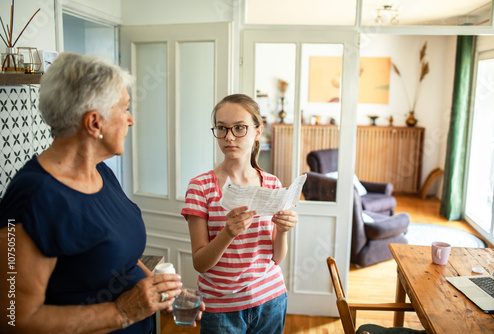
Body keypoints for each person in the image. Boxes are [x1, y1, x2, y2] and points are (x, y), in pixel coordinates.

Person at [0, 52, 202, 333]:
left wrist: (160, 291)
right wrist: (121, 311)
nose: (131, 120)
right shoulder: (33, 198)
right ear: (95, 123)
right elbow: (14, 319)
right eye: (124, 108)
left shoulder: (101, 172)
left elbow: (124, 261)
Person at [181, 94, 298, 333]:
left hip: (270, 299)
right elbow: (200, 263)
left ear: (257, 131)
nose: (229, 137)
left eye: (239, 128)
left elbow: (277, 258)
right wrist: (227, 233)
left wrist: (284, 231)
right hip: (220, 307)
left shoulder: (272, 184)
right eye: (222, 129)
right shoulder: (200, 187)